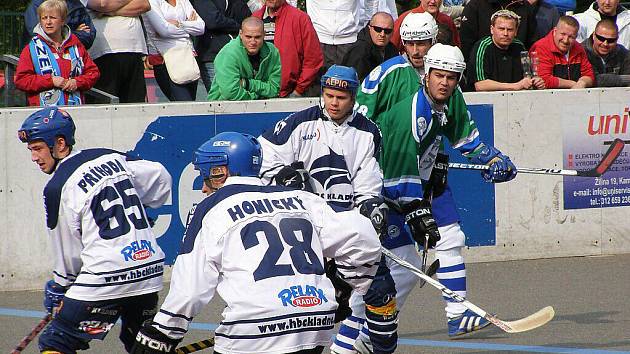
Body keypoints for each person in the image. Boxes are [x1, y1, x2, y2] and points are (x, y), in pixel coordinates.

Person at [130, 132, 381, 354]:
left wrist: (163, 332)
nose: (204, 188)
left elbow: (191, 288)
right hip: (314, 321)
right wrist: (346, 283)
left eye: (205, 176)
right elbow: (362, 236)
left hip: (253, 329)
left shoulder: (210, 208)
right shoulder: (300, 197)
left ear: (221, 172)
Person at [354, 12, 516, 348]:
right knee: (403, 264)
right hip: (391, 178)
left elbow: (461, 133)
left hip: (426, 172)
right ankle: (368, 323)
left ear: (434, 41)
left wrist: (493, 157)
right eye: (410, 42)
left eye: (423, 42)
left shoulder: (446, 77)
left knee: (452, 236)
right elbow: (361, 127)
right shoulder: (387, 75)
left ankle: (458, 313)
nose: (416, 49)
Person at [257, 65, 399, 354]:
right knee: (308, 303)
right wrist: (282, 175)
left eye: (341, 97)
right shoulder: (297, 123)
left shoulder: (368, 132)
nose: (334, 102)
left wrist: (371, 204)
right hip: (303, 229)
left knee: (381, 291)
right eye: (329, 95)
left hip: (345, 227)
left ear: (353, 97)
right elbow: (262, 160)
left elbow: (368, 179)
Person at [16, 107, 172, 353]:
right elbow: (160, 176)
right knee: (140, 343)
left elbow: (69, 255)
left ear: (60, 143)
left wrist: (60, 288)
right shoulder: (109, 155)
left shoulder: (58, 187)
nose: (34, 157)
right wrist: (144, 209)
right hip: (148, 271)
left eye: (37, 148)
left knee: (56, 341)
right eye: (31, 150)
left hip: (106, 274)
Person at [15, 0, 100, 106]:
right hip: (43, 114)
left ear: (63, 20)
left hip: (75, 111)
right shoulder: (31, 49)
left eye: (53, 18)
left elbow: (93, 73)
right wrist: (51, 81)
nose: (48, 22)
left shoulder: (76, 46)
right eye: (44, 18)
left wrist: (77, 82)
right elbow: (21, 80)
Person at [81, 0, 151, 103]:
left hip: (133, 47)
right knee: (105, 106)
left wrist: (110, 12)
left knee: (135, 106)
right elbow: (102, 4)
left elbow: (144, 5)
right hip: (103, 51)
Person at [252, 0, 324, 97]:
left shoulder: (300, 18)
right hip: (258, 93)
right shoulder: (254, 18)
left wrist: (298, 90)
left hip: (289, 93)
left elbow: (313, 59)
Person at [467, 9, 546, 91]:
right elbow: (480, 85)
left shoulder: (519, 46)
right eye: (501, 29)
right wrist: (515, 86)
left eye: (510, 30)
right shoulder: (482, 46)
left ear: (516, 31)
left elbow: (527, 77)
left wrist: (535, 82)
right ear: (492, 29)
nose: (505, 34)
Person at [142, 0, 205, 101]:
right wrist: (189, 29)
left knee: (191, 106)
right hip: (165, 60)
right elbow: (164, 31)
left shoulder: (183, 1)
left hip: (189, 57)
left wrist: (180, 24)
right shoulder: (151, 1)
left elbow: (201, 27)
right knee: (183, 106)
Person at [207, 17, 281, 100]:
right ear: (241, 34)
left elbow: (274, 89)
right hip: (221, 108)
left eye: (257, 37)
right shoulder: (228, 54)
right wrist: (256, 98)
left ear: (264, 34)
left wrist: (248, 83)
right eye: (248, 37)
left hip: (261, 107)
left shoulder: (273, 52)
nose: (253, 42)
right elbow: (230, 93)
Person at [191, 0, 251, 92]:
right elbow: (213, 20)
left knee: (240, 96)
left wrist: (238, 25)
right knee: (219, 98)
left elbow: (247, 18)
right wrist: (238, 26)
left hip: (239, 55)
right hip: (213, 57)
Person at [459, 0, 538, 61]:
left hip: (516, 68)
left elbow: (533, 44)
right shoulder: (475, 6)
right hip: (484, 68)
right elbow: (467, 46)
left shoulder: (525, 7)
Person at [529, 15, 595, 88]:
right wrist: (573, 84)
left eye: (571, 37)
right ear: (555, 31)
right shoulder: (541, 47)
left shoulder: (578, 48)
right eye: (563, 34)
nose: (565, 40)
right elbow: (544, 79)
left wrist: (583, 82)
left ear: (576, 37)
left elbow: (589, 75)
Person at [341, 12, 399, 82]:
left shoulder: (392, 50)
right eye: (378, 29)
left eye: (387, 31)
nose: (382, 34)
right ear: (369, 28)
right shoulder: (359, 51)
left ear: (392, 32)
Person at [391, 0, 461, 50]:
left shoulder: (447, 21)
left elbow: (456, 48)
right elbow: (393, 48)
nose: (433, 1)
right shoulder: (405, 19)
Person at [23, 0, 96, 49]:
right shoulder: (36, 5)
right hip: (42, 59)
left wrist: (62, 36)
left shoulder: (76, 5)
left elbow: (89, 36)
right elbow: (37, 34)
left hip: (73, 58)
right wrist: (73, 33)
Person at [583, 19, 630, 86]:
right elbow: (593, 79)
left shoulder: (624, 54)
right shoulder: (581, 52)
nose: (605, 44)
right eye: (601, 38)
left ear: (617, 39)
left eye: (611, 40)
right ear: (594, 35)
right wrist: (623, 79)